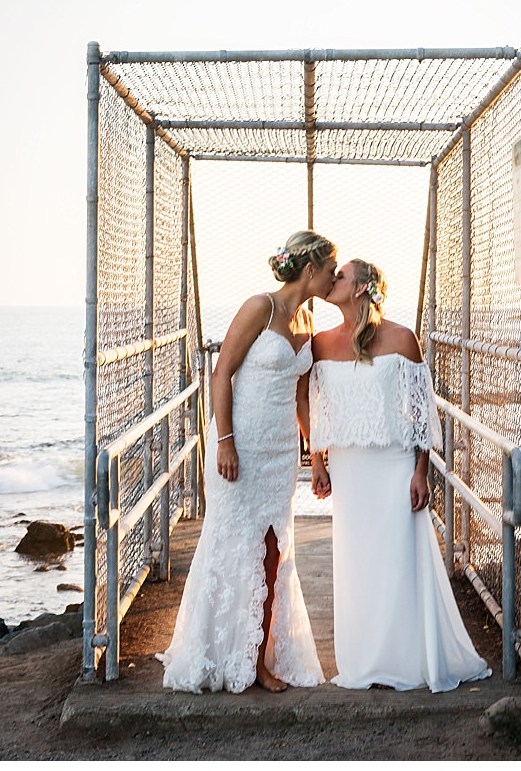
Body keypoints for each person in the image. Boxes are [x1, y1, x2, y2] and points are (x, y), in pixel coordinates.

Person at [157, 231, 338, 694]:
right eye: (330, 269)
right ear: (310, 270)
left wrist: (314, 456)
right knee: (233, 548)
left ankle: (257, 655)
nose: (334, 277)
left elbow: (301, 397)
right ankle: (225, 652)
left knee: (273, 557)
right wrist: (225, 442)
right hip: (241, 448)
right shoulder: (260, 306)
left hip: (279, 457)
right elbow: (221, 374)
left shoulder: (307, 321)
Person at [308, 258, 491, 692]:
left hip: (393, 466)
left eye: (341, 276)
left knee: (399, 559)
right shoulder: (319, 343)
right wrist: (317, 460)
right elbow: (316, 407)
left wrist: (421, 471)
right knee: (359, 564)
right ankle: (365, 659)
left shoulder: (403, 339)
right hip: (349, 471)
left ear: (360, 289)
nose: (333, 281)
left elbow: (421, 413)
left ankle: (409, 658)